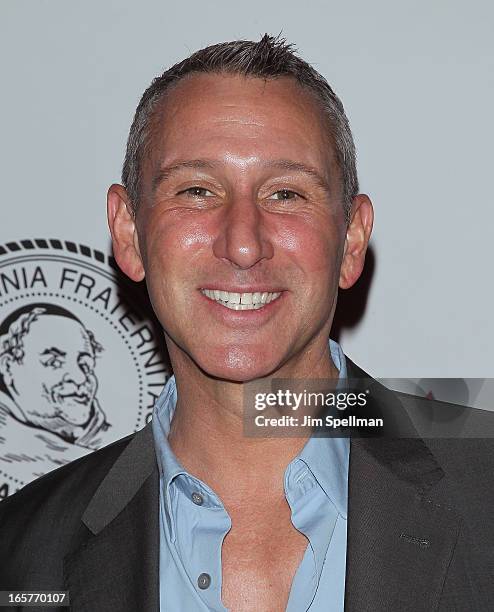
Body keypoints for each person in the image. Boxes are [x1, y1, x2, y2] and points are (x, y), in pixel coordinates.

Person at [0, 34, 493, 612]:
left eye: (285, 194)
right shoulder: (20, 555)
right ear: (128, 232)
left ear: (352, 240)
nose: (241, 244)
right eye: (197, 191)